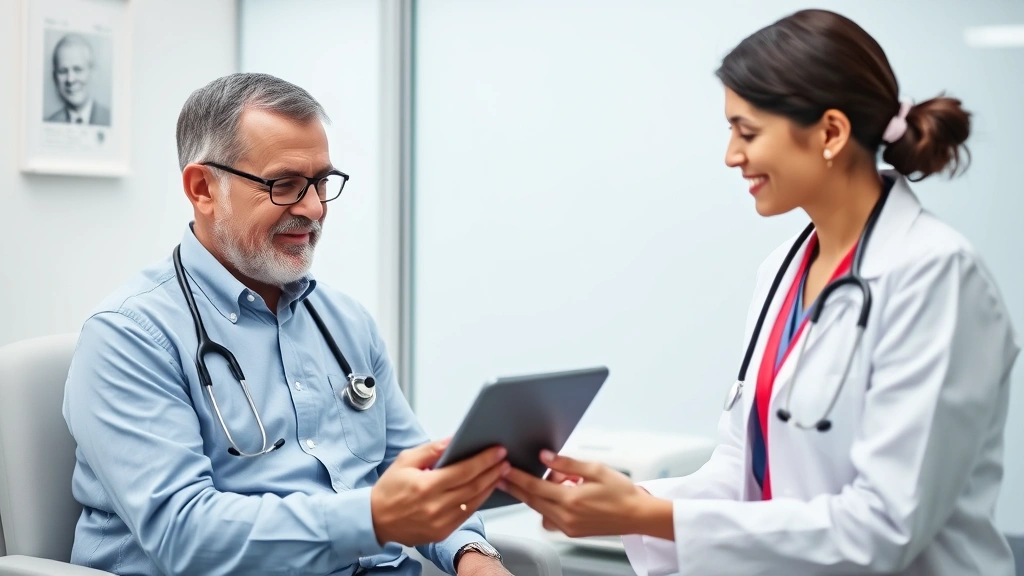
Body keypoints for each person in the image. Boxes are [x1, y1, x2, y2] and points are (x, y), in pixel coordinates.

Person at [503, 9, 1018, 576]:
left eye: (747, 132)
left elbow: (883, 527)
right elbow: (744, 471)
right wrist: (632, 505)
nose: (732, 155)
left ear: (830, 132)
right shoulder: (784, 269)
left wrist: (651, 517)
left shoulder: (934, 275)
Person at [62, 73, 513, 576]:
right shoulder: (129, 337)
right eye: (285, 185)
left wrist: (473, 554)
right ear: (203, 188)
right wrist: (373, 517)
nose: (314, 208)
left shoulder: (344, 323)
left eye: (322, 182)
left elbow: (414, 473)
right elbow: (183, 533)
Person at [45, 33, 111, 126]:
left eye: (78, 69)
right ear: (55, 77)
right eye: (63, 71)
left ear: (92, 73)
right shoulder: (49, 124)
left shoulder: (111, 120)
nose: (70, 79)